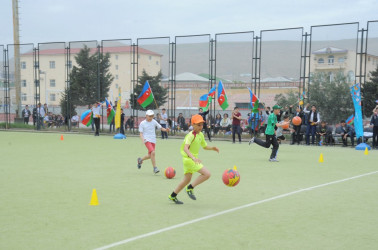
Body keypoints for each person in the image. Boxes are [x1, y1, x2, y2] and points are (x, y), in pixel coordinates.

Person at [168, 114, 219, 204]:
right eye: (198, 125)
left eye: (202, 125)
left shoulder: (201, 135)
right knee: (207, 174)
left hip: (190, 160)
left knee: (186, 180)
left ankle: (173, 196)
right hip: (189, 159)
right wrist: (193, 158)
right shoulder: (191, 135)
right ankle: (190, 188)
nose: (201, 127)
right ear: (193, 125)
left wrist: (212, 148)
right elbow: (185, 148)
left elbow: (204, 146)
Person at [137, 110, 170, 174]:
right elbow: (141, 133)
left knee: (150, 155)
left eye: (152, 116)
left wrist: (166, 130)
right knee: (153, 152)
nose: (151, 117)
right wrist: (142, 139)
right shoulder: (142, 123)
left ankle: (140, 160)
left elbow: (161, 128)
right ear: (146, 116)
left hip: (153, 140)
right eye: (150, 116)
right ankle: (155, 168)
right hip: (146, 140)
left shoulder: (154, 122)